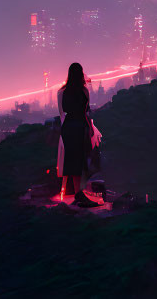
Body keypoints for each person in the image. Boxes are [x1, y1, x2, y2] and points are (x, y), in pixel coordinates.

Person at [56, 62, 100, 207]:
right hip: (80, 126)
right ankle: (81, 194)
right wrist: (91, 128)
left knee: (72, 161)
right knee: (82, 161)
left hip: (68, 128)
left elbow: (63, 111)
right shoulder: (83, 91)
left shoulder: (62, 92)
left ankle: (78, 194)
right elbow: (85, 111)